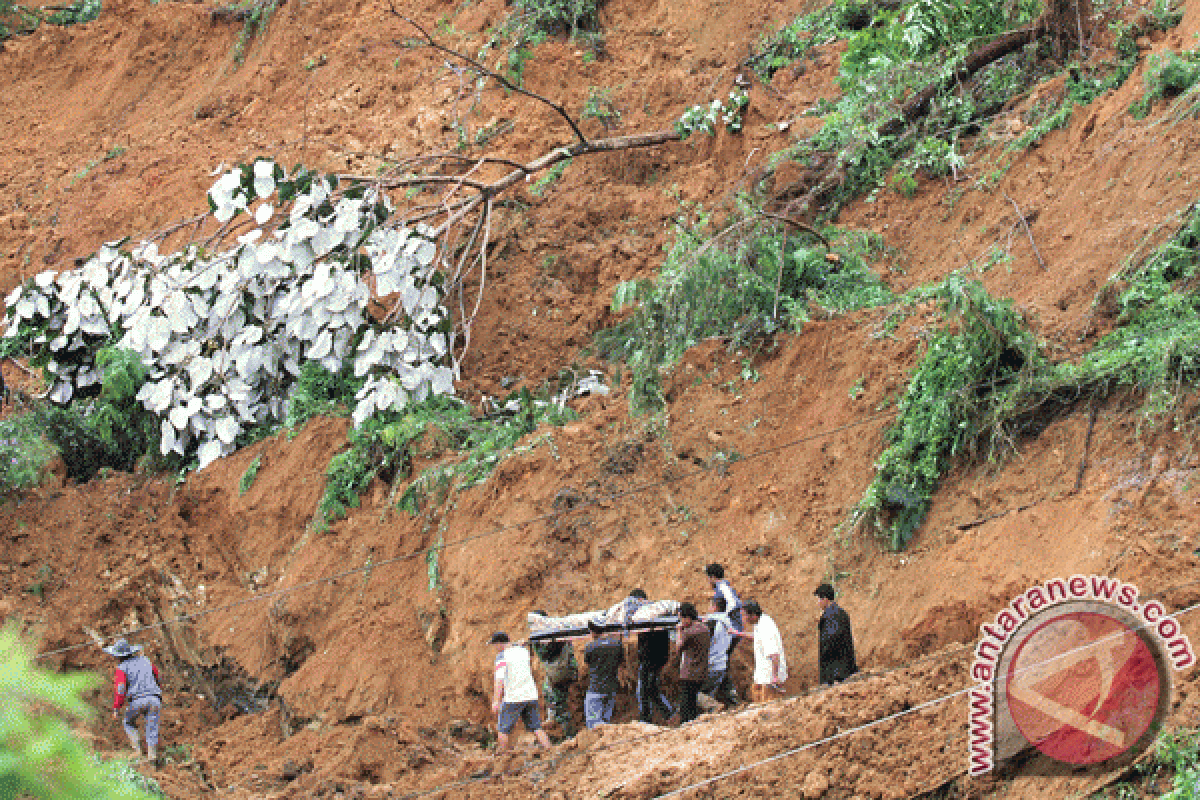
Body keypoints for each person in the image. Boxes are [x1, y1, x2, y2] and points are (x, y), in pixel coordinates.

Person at [489, 631, 553, 750]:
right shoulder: (524, 651)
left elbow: (499, 680)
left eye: (494, 644)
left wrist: (496, 701)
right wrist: (518, 644)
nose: (494, 648)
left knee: (503, 729)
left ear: (499, 644)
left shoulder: (502, 656)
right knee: (536, 727)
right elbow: (519, 647)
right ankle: (551, 751)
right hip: (531, 696)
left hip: (513, 698)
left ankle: (502, 759)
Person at [105, 638, 163, 766]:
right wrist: (155, 688)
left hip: (138, 701)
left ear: (118, 656)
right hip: (154, 699)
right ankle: (152, 756)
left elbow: (120, 690)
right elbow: (157, 674)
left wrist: (116, 708)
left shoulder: (121, 668)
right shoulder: (145, 660)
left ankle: (138, 752)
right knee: (151, 725)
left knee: (128, 721)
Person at [529, 612, 579, 738]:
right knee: (547, 691)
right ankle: (552, 716)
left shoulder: (549, 634)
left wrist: (535, 643)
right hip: (566, 670)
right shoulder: (557, 629)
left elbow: (545, 654)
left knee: (560, 706)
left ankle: (570, 736)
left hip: (559, 673)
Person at [628, 589, 673, 724]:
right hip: (656, 657)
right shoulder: (656, 612)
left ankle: (647, 718)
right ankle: (667, 713)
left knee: (644, 690)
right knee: (651, 688)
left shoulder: (646, 614)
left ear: (639, 600)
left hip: (651, 657)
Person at [741, 600, 787, 704]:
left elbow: (774, 654)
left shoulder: (766, 627)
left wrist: (775, 677)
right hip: (763, 675)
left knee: (769, 706)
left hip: (769, 677)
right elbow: (757, 637)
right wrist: (738, 634)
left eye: (744, 615)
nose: (743, 619)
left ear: (753, 615)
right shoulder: (759, 623)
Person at [583, 620, 624, 729]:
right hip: (611, 688)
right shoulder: (617, 644)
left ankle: (598, 746)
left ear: (592, 632)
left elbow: (587, 663)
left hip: (595, 689)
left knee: (593, 726)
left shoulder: (590, 647)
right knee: (606, 724)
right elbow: (621, 661)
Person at [814, 583, 858, 685]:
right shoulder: (841, 613)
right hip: (845, 669)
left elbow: (830, 642)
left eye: (818, 599)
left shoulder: (831, 616)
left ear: (825, 599)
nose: (818, 603)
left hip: (836, 673)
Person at [675, 602, 710, 724]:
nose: (681, 621)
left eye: (682, 618)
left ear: (688, 617)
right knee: (693, 702)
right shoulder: (705, 628)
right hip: (702, 671)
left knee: (685, 705)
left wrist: (679, 631)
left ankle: (685, 727)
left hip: (689, 673)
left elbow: (678, 647)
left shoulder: (689, 632)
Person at [701, 596, 736, 707]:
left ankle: (714, 707)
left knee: (694, 694)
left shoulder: (712, 622)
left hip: (712, 664)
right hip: (722, 665)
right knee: (709, 694)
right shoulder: (728, 621)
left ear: (714, 606)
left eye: (710, 606)